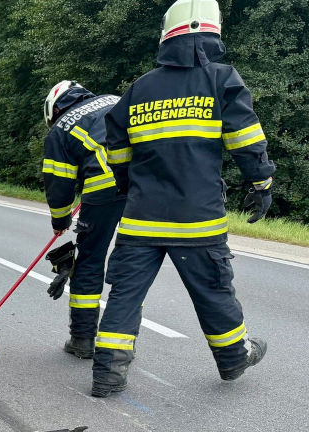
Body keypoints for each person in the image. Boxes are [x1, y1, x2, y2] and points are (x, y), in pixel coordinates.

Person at [92, 0, 273, 396]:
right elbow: (245, 139)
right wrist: (261, 183)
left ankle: (107, 373)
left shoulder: (140, 88)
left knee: (125, 295)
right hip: (198, 220)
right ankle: (232, 359)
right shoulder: (222, 79)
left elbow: (116, 148)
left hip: (141, 220)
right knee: (213, 292)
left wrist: (127, 187)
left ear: (166, 33)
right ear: (214, 32)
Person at [40, 81, 126, 359]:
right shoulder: (114, 97)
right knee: (135, 261)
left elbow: (59, 182)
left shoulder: (60, 128)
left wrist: (60, 220)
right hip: (148, 185)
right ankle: (123, 340)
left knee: (89, 261)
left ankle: (83, 340)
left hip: (103, 190)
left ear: (53, 108)